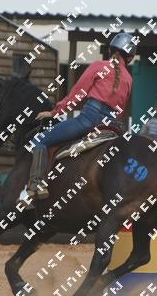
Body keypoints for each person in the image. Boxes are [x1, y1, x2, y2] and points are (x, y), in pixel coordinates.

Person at [26, 32, 136, 200]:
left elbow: (78, 93)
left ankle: (37, 185)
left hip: (89, 119)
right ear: (130, 57)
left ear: (111, 50)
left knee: (40, 140)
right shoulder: (129, 79)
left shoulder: (99, 66)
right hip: (112, 126)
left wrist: (55, 112)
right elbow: (121, 110)